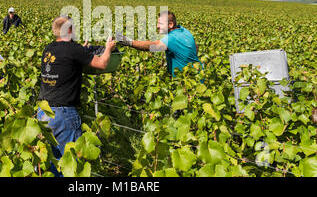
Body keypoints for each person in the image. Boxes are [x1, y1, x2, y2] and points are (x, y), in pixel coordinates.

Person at [36, 16, 116, 176]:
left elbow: (65, 60)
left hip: (43, 112)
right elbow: (102, 64)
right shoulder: (73, 49)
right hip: (63, 114)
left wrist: (83, 49)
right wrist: (108, 48)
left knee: (52, 163)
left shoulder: (49, 48)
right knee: (73, 164)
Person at [115, 11, 201, 77]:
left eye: (160, 24)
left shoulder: (171, 39)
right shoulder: (184, 31)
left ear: (170, 24)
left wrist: (128, 42)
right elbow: (195, 46)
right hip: (198, 75)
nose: (157, 26)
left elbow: (152, 46)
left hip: (187, 81)